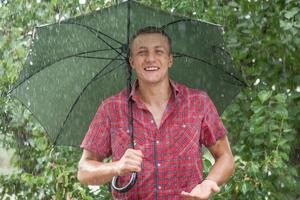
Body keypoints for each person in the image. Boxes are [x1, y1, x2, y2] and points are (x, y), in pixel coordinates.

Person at [77, 26, 235, 199]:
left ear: (170, 59)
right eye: (142, 53)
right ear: (132, 61)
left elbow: (225, 157)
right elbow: (84, 170)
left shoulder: (198, 102)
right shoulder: (111, 108)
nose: (150, 59)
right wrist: (116, 167)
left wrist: (208, 183)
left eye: (158, 52)